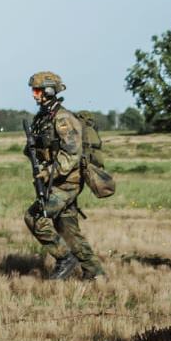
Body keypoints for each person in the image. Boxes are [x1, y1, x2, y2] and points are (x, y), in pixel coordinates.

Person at [23, 71, 104, 280]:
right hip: (55, 181)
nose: (34, 94)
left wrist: (49, 171)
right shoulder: (43, 117)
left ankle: (65, 259)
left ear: (49, 91)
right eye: (33, 89)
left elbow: (72, 154)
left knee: (35, 217)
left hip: (66, 182)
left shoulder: (63, 119)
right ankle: (95, 273)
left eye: (37, 90)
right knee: (68, 229)